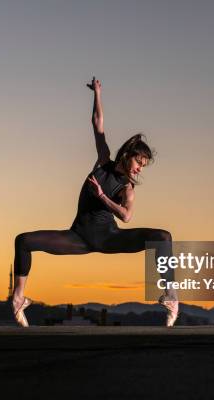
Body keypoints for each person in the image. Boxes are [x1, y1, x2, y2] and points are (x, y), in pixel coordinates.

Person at [12, 77, 179, 327]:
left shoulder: (127, 188)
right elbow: (97, 124)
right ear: (127, 155)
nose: (139, 170)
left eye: (143, 167)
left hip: (109, 238)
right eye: (138, 163)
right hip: (78, 238)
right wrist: (97, 94)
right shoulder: (103, 161)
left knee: (163, 237)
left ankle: (172, 297)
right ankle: (18, 299)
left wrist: (102, 196)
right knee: (23, 241)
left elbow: (126, 216)